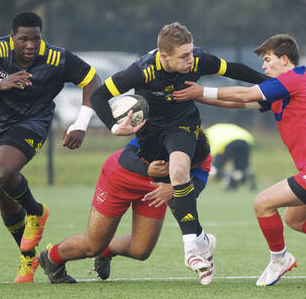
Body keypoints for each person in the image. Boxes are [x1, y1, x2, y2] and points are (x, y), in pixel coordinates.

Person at [90, 22, 268, 277]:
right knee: (171, 201)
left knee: (179, 171)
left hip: (184, 125)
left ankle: (191, 250)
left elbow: (234, 69)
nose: (191, 59)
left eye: (192, 52)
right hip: (150, 136)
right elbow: (99, 96)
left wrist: (273, 87)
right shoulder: (140, 71)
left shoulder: (198, 61)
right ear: (164, 57)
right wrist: (115, 128)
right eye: (184, 55)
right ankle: (202, 241)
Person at [173, 33, 304, 286]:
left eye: (267, 60)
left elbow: (246, 94)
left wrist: (204, 89)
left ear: (285, 59)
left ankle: (280, 259)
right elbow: (240, 104)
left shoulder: (294, 78)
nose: (263, 67)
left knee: (263, 203)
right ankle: (281, 258)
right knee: (294, 219)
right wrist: (198, 96)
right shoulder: (284, 90)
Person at [0, 12, 100, 282]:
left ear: (41, 37)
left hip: (30, 122)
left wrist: (81, 123)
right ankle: (29, 259)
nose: (30, 45)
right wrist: (2, 83)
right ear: (12, 37)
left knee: (3, 172)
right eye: (23, 39)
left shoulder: (57, 58)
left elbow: (91, 80)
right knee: (2, 197)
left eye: (35, 39)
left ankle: (36, 212)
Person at [38, 130, 214, 285]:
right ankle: (52, 258)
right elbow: (126, 156)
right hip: (120, 179)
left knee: (141, 250)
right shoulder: (159, 133)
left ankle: (106, 252)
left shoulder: (202, 155)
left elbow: (197, 186)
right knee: (92, 246)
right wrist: (147, 170)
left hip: (155, 190)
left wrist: (175, 189)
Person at [205, 123, 256, 191]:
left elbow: (208, 152)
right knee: (241, 169)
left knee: (214, 169)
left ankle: (228, 178)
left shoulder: (205, 135)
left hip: (227, 143)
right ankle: (247, 175)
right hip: (245, 141)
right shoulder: (215, 129)